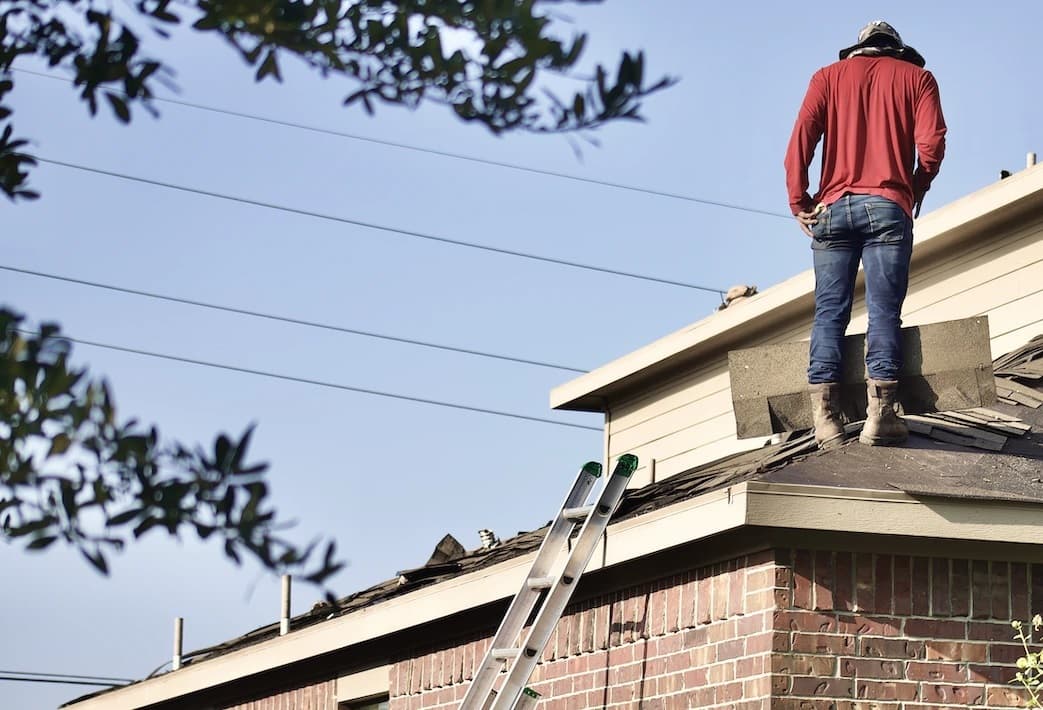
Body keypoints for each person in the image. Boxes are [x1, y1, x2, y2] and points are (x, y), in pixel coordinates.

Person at [784, 20, 946, 449]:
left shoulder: (826, 77)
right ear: (897, 49)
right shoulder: (918, 78)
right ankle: (882, 414)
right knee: (884, 311)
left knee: (829, 313)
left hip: (832, 210)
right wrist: (913, 189)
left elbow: (801, 138)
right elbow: (931, 146)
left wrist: (799, 201)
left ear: (858, 50)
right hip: (888, 205)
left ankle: (825, 420)